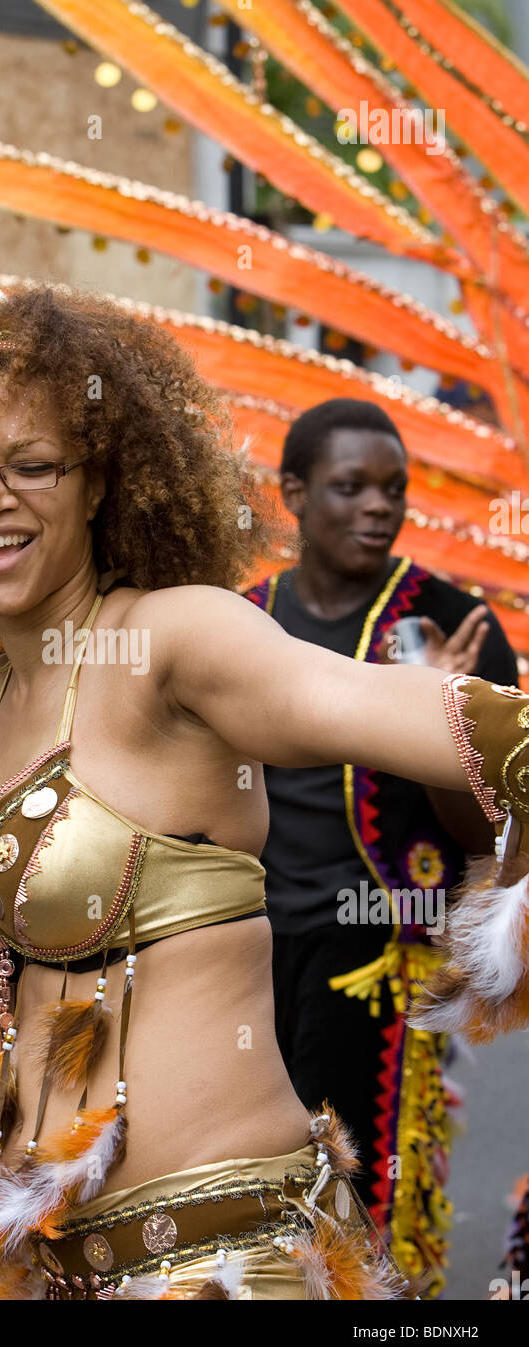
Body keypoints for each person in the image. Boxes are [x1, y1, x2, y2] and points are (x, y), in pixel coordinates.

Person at [0, 282, 529, 1301]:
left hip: (222, 1264)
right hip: (50, 1265)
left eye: (32, 465)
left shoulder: (172, 638)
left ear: (99, 482)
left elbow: (359, 701)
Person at [245, 398, 520, 1294]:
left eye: (393, 490)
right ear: (293, 492)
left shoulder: (450, 619)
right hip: (237, 948)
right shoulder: (237, 623)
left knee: (363, 1202)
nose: (378, 507)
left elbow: (493, 836)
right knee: (249, 1197)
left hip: (376, 955)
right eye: (350, 487)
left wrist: (436, 716)